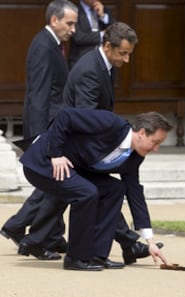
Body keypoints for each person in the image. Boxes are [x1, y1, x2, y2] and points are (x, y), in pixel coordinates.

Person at [18, 108, 172, 271]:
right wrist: (55, 154)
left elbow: (135, 193)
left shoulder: (134, 157)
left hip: (73, 168)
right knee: (86, 193)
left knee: (115, 188)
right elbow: (65, 116)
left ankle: (97, 255)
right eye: (155, 142)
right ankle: (76, 258)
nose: (155, 149)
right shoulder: (110, 123)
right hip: (43, 163)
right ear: (141, 133)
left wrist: (150, 242)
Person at [65, 21, 164, 264]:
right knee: (90, 193)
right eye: (123, 53)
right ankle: (80, 253)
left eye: (129, 54)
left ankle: (101, 252)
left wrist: (149, 239)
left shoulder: (105, 64)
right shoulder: (90, 69)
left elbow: (134, 189)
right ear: (107, 46)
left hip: (92, 150)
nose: (127, 60)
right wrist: (108, 141)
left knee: (113, 189)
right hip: (77, 152)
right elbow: (84, 118)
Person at [0, 0, 78, 254]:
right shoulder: (43, 46)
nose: (73, 29)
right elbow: (39, 94)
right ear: (54, 20)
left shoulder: (52, 45)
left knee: (55, 181)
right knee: (55, 182)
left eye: (75, 24)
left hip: (53, 127)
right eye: (70, 23)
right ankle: (20, 227)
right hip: (46, 128)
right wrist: (39, 136)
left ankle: (49, 234)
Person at [68, 0, 113, 68]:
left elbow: (115, 31)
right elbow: (78, 37)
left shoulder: (104, 9)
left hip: (102, 61)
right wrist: (101, 35)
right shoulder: (73, 10)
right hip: (80, 60)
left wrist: (103, 16)